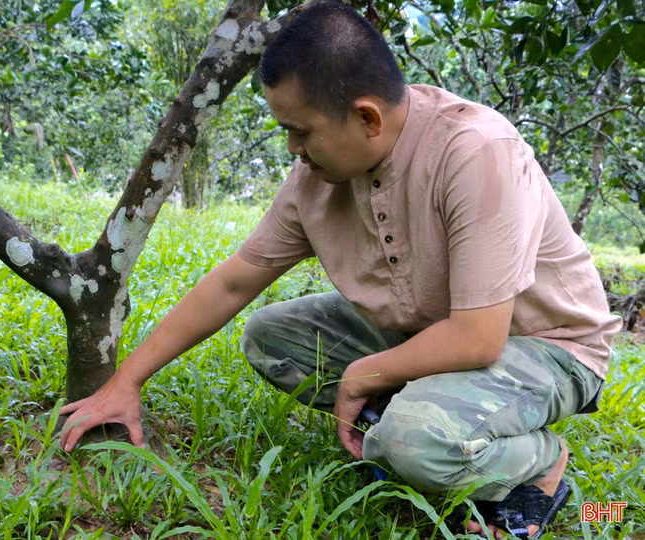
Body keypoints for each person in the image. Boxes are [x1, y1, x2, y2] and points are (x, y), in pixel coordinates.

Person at [60, 2, 621, 537]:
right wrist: (125, 381)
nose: (290, 147)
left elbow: (478, 336)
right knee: (272, 337)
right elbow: (235, 281)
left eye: (301, 131)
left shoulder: (476, 153)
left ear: (367, 117)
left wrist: (363, 375)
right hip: (428, 330)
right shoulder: (315, 178)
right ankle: (416, 423)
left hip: (545, 344)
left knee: (413, 443)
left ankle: (539, 460)